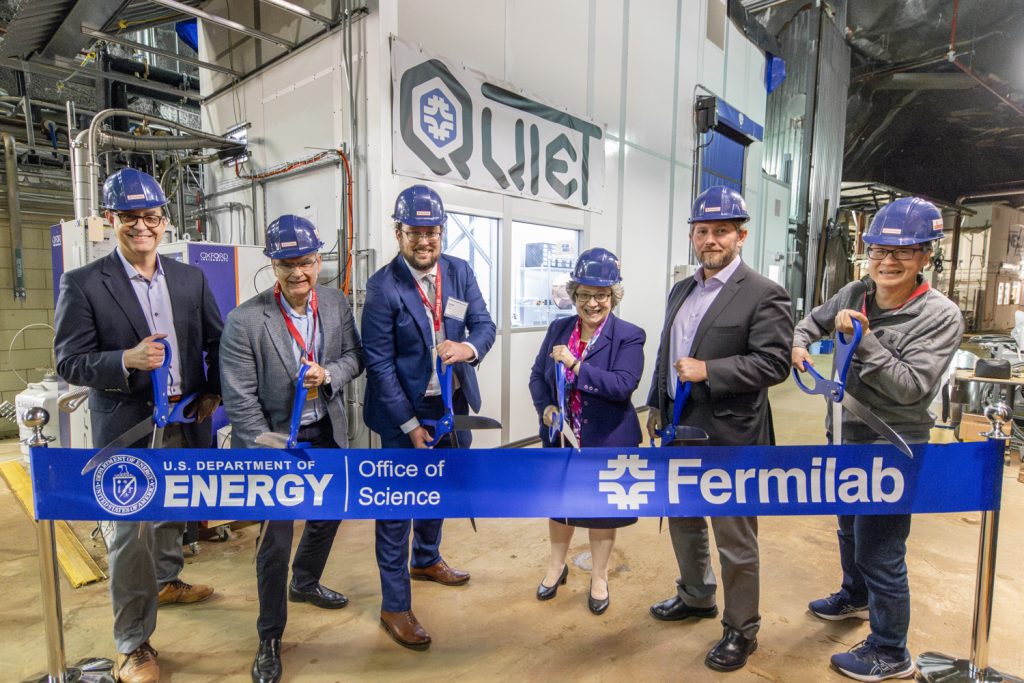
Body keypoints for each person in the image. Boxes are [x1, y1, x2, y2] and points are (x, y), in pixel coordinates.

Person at [54, 168, 222, 683]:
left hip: (185, 416)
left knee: (174, 511)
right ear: (112, 221)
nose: (141, 226)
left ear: (165, 222)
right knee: (129, 534)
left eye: (150, 216)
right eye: (130, 217)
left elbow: (216, 341)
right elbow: (69, 360)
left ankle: (168, 581)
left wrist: (213, 392)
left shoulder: (190, 278)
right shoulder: (84, 283)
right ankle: (133, 644)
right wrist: (124, 359)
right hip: (126, 425)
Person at [792, 197, 963, 681]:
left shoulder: (940, 315)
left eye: (903, 253)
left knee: (882, 549)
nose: (887, 262)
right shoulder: (855, 291)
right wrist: (800, 344)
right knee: (847, 526)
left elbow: (911, 387)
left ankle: (891, 650)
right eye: (879, 251)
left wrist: (863, 339)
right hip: (844, 433)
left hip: (893, 445)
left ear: (925, 256)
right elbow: (812, 322)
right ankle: (855, 596)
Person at [646, 186, 793, 672]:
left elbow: (773, 364)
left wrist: (711, 372)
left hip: (731, 439)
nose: (711, 239)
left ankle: (741, 629)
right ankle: (695, 595)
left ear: (741, 236)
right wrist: (656, 405)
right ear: (692, 235)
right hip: (679, 429)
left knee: (734, 539)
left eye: (722, 231)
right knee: (684, 522)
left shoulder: (764, 293)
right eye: (702, 231)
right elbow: (667, 352)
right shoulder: (682, 289)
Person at [220, 215, 363, 683]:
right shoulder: (246, 320)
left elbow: (354, 358)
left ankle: (305, 581)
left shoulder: (338, 304)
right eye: (287, 264)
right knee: (274, 543)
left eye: (305, 262)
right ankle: (270, 636)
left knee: (329, 513)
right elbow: (240, 400)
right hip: (273, 442)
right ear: (273, 265)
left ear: (318, 259)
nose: (298, 273)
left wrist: (330, 375)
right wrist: (270, 449)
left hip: (326, 429)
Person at [362, 184, 496, 650]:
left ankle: (426, 558)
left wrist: (468, 347)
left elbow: (485, 324)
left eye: (432, 232)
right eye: (415, 232)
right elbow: (378, 364)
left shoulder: (459, 272)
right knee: (397, 509)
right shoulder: (383, 287)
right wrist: (408, 424)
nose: (425, 241)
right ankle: (394, 606)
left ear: (442, 232)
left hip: (451, 408)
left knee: (440, 489)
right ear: (399, 233)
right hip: (405, 418)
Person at [528, 248, 645, 615]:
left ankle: (599, 576)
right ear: (574, 293)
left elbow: (622, 386)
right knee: (560, 508)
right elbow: (537, 377)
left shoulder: (629, 336)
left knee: (600, 513)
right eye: (584, 295)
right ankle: (556, 566)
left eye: (601, 295)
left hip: (606, 440)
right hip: (561, 438)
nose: (592, 304)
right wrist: (546, 407)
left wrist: (576, 365)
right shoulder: (558, 329)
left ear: (614, 295)